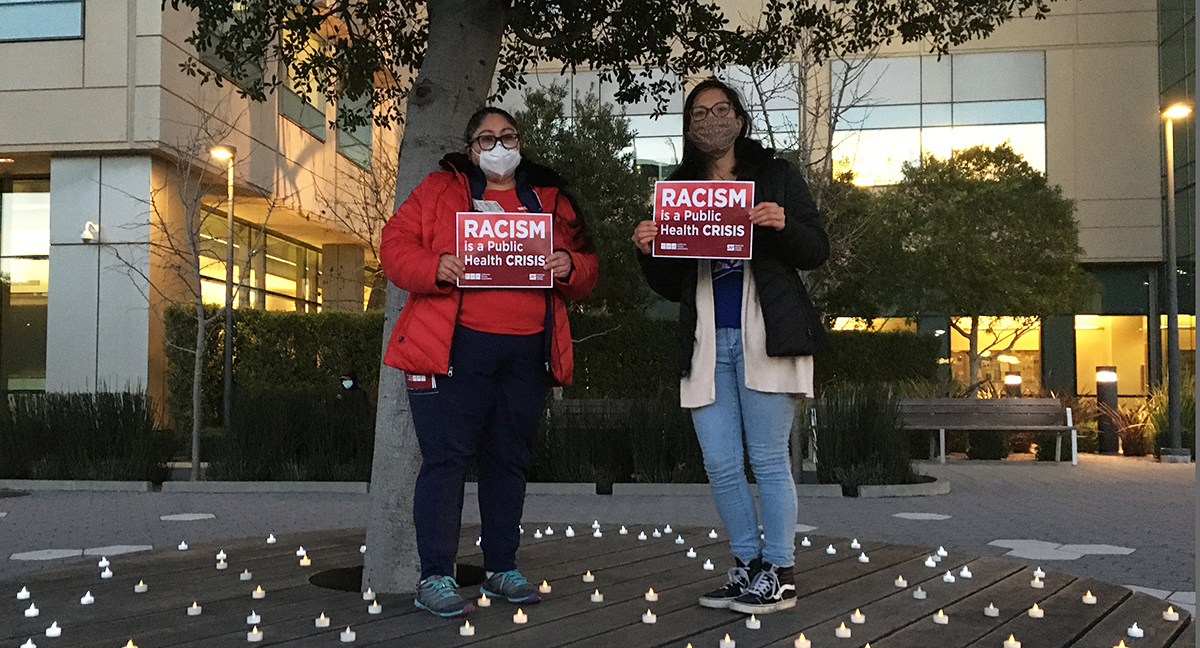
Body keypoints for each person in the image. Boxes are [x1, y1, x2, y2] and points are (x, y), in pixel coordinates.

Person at [380, 106, 598, 618]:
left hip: (527, 355)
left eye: (508, 136)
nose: (498, 146)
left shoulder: (547, 197)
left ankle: (502, 568)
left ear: (521, 142)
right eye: (486, 138)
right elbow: (393, 247)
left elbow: (586, 269)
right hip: (452, 349)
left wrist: (570, 266)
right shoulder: (438, 189)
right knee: (446, 461)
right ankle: (435, 575)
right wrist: (435, 265)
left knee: (508, 461)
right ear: (469, 147)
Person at [632, 78, 829, 615]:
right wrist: (649, 250)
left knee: (768, 460)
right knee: (720, 463)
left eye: (721, 109)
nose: (711, 119)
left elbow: (816, 250)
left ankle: (780, 572)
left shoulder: (776, 175)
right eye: (699, 112)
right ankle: (747, 567)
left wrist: (782, 224)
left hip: (765, 334)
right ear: (688, 125)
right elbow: (670, 285)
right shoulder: (678, 188)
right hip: (705, 343)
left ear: (740, 119)